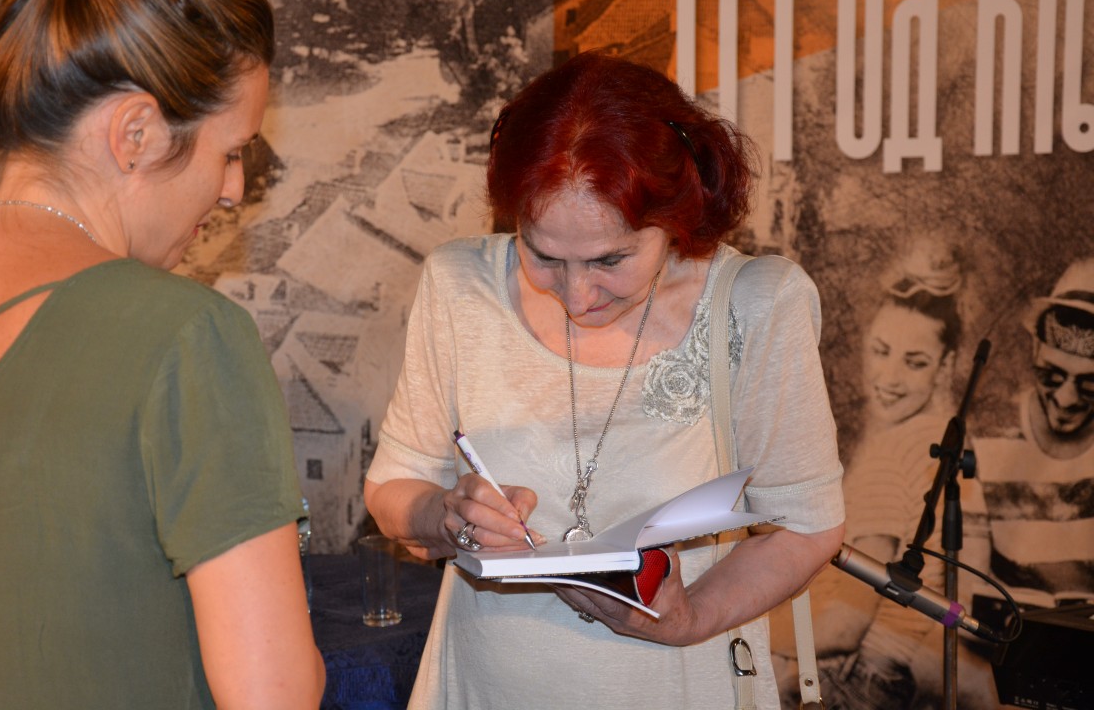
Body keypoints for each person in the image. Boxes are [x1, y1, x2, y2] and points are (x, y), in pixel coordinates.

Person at [363, 51, 845, 709]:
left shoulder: (757, 304)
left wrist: (690, 617)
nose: (577, 295)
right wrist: (445, 516)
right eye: (543, 255)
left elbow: (807, 526)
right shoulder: (459, 286)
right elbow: (392, 486)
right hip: (482, 688)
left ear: (676, 218)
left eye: (610, 260)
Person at [0, 0, 325, 708]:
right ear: (136, 133)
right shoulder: (188, 336)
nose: (233, 189)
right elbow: (272, 694)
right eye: (230, 152)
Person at [772, 239, 995, 709]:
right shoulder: (946, 440)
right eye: (881, 351)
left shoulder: (893, 453)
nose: (889, 378)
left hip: (866, 679)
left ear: (947, 365)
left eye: (915, 363)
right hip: (907, 674)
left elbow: (843, 628)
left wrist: (739, 629)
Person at [974, 258, 1094, 610]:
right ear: (1034, 350)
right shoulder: (985, 436)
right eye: (1051, 376)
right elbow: (966, 590)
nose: (1066, 399)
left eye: (1089, 385)